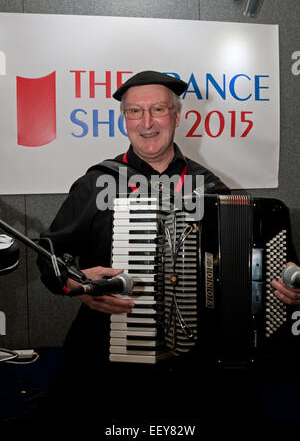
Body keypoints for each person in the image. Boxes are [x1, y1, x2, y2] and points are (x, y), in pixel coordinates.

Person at [37, 71, 300, 431]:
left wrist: (287, 285)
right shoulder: (99, 181)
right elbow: (49, 251)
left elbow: (256, 265)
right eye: (134, 112)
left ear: (177, 117)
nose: (146, 123)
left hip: (195, 357)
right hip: (109, 343)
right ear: (124, 119)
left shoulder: (209, 187)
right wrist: (77, 284)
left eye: (158, 109)